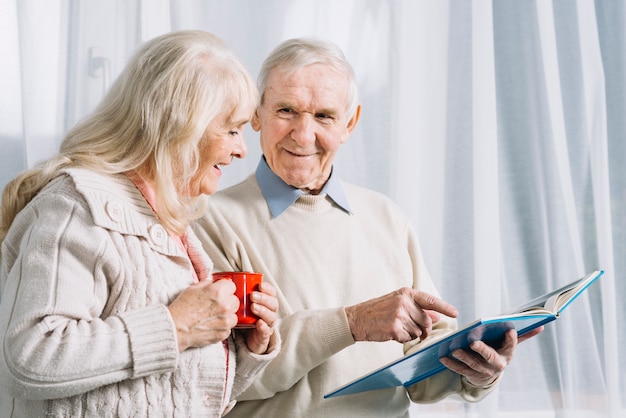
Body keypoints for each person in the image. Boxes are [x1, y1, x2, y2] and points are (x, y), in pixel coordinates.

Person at [192, 37, 542, 418]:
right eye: (286, 110)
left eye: (324, 116)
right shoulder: (207, 220)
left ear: (350, 123)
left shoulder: (387, 217)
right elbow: (221, 376)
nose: (303, 134)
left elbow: (422, 372)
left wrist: (477, 372)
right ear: (256, 113)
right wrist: (352, 323)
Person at [0, 30, 280, 417]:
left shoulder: (166, 217)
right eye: (231, 129)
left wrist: (246, 348)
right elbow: (31, 354)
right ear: (181, 127)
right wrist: (177, 326)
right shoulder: (76, 207)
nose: (241, 148)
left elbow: (171, 387)